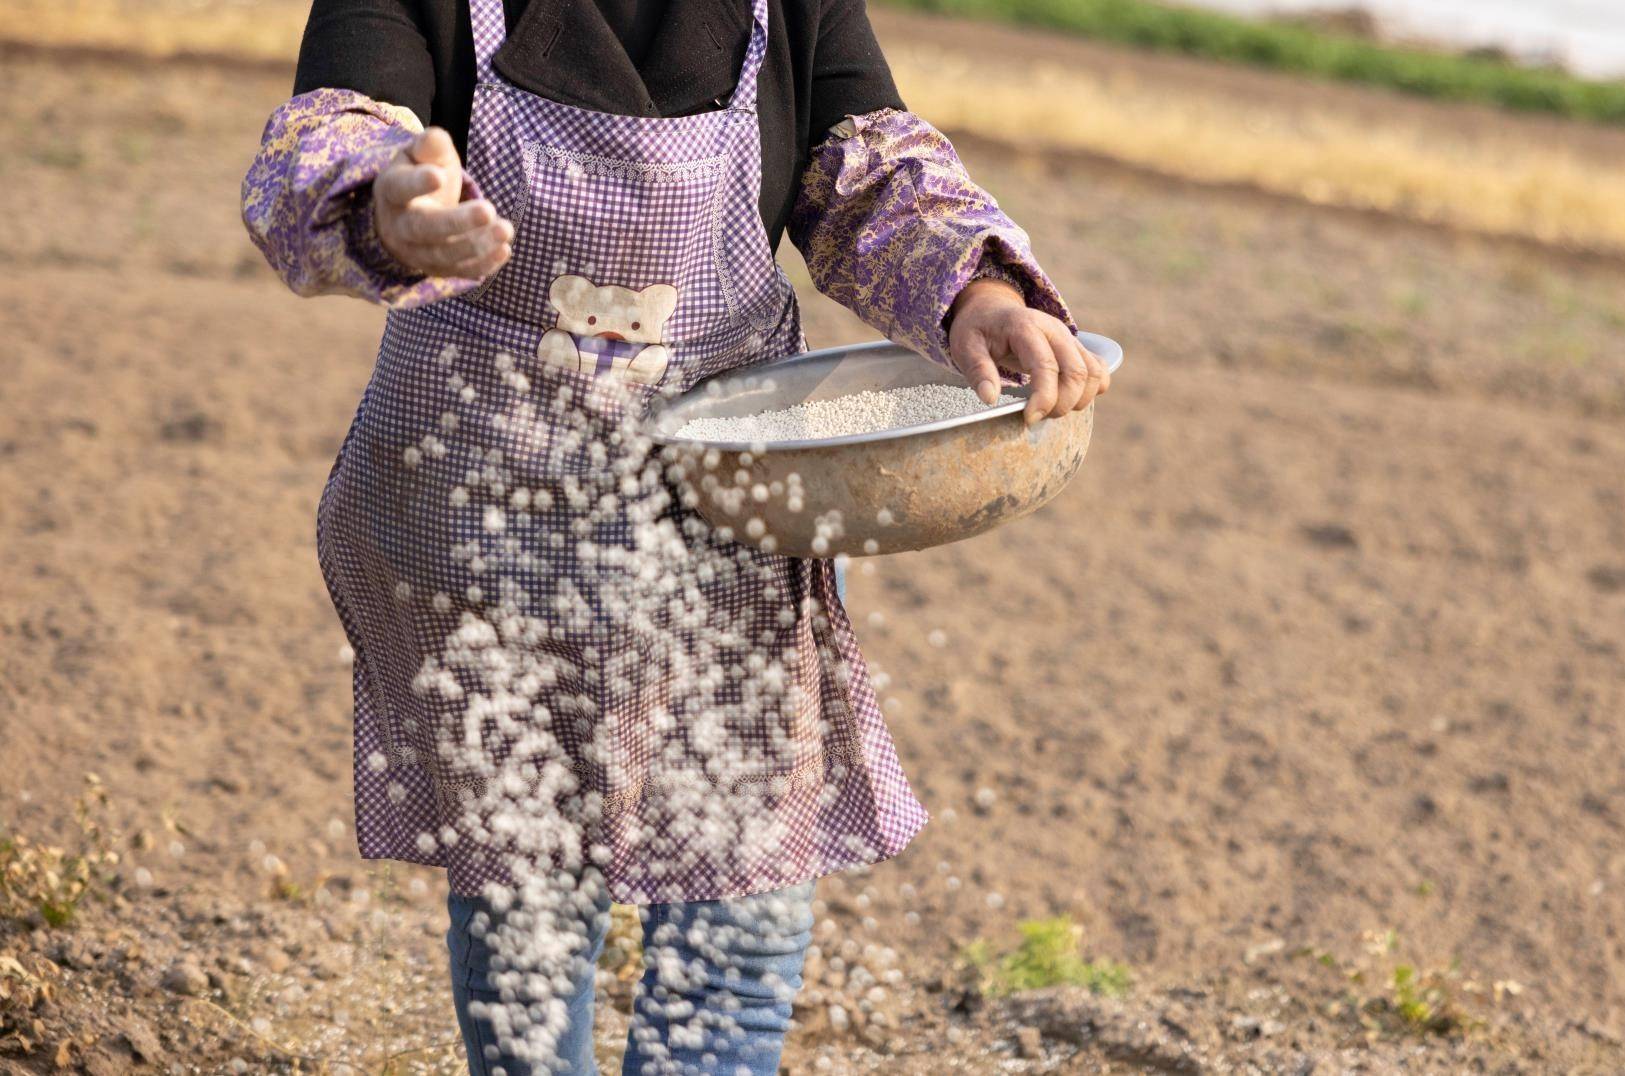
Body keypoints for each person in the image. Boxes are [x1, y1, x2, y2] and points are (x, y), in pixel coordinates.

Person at [242, 0, 1109, 1072]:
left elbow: (870, 174)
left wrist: (976, 289)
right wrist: (389, 206)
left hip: (724, 507)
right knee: (527, 888)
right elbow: (329, 135)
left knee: (741, 900)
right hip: (484, 510)